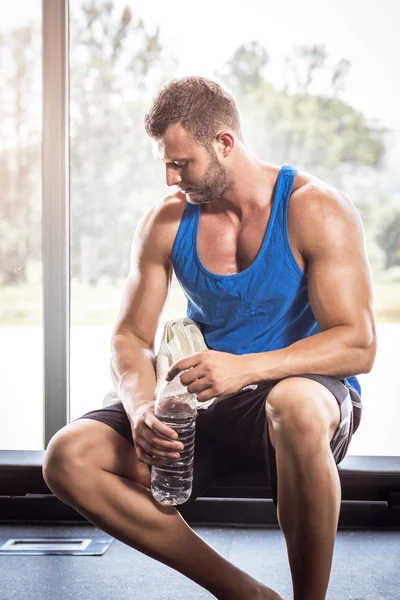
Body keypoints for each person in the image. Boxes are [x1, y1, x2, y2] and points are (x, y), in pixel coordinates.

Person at [42, 76, 376, 600]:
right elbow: (130, 335)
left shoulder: (314, 208)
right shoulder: (168, 220)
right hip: (202, 401)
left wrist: (245, 368)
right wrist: (140, 407)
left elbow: (358, 344)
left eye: (182, 163)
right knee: (68, 457)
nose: (172, 178)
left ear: (224, 142)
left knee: (295, 405)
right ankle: (245, 594)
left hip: (296, 395)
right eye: (165, 164)